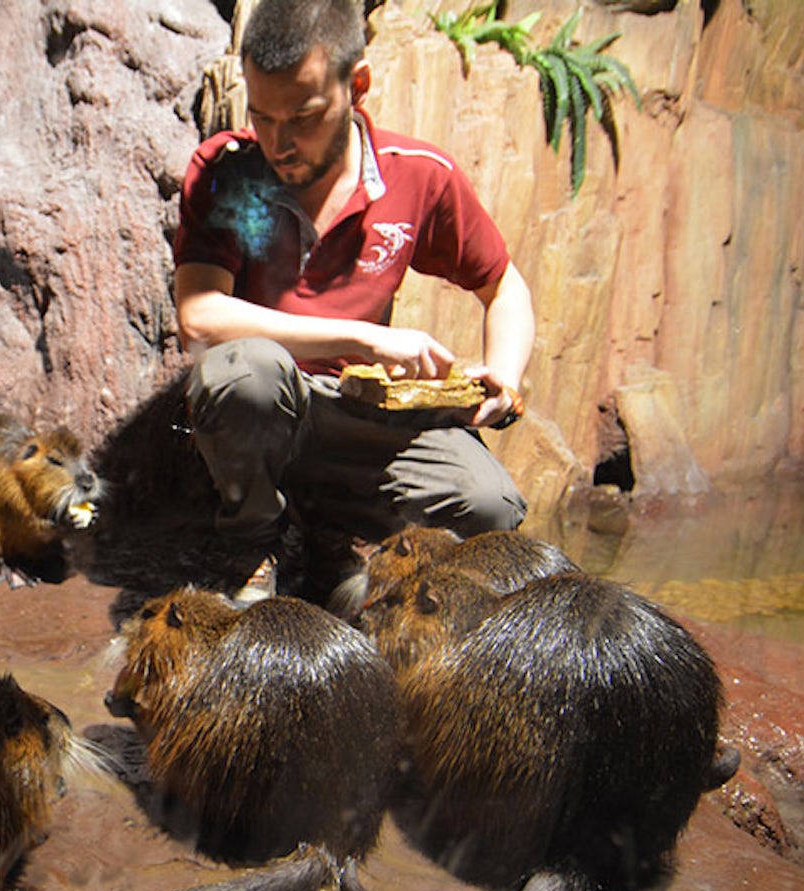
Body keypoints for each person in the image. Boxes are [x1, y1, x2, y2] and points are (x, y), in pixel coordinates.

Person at [175, 0, 535, 604]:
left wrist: (503, 376)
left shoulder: (418, 175)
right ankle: (253, 549)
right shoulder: (228, 172)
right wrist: (363, 337)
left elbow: (505, 287)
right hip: (268, 409)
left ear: (357, 86)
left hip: (364, 412)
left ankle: (330, 539)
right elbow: (201, 316)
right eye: (262, 116)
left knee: (490, 505)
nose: (278, 143)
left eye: (304, 116)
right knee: (247, 372)